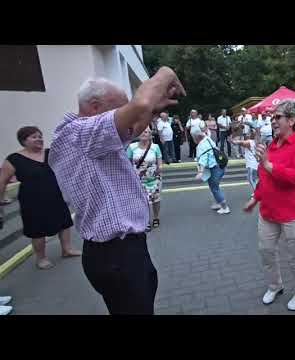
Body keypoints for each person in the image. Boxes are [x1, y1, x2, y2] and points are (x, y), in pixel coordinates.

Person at [49, 68, 186, 315]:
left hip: (120, 252)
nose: (126, 115)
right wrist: (166, 73)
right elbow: (141, 102)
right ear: (94, 106)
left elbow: (131, 129)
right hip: (116, 255)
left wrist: (151, 111)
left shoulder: (91, 138)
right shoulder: (79, 134)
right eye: (119, 109)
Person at [243, 99, 295, 311]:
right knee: (266, 251)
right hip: (269, 212)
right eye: (272, 117)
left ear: (292, 120)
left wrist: (268, 164)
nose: (272, 121)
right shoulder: (271, 145)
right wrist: (254, 198)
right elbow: (263, 177)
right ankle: (275, 286)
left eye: (277, 117)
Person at [0, 126, 79, 270]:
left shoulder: (50, 153)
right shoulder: (14, 159)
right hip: (31, 200)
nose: (39, 139)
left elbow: (68, 168)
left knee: (64, 223)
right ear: (24, 141)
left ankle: (66, 250)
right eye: (34, 137)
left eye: (40, 136)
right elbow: (2, 181)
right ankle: (41, 258)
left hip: (54, 195)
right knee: (37, 230)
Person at [127, 127, 163, 231]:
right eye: (142, 131)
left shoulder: (155, 147)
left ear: (150, 135)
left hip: (154, 179)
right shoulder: (132, 147)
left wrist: (160, 168)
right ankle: (146, 220)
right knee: (143, 201)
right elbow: (127, 162)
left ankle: (156, 217)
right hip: (138, 180)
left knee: (156, 200)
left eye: (147, 132)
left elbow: (159, 161)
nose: (144, 133)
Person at [192, 126, 231, 214]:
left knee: (215, 188)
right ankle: (219, 203)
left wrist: (200, 172)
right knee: (215, 187)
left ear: (196, 137)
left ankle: (225, 207)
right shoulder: (207, 138)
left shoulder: (200, 146)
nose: (193, 139)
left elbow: (203, 160)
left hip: (214, 168)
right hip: (220, 165)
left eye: (193, 137)